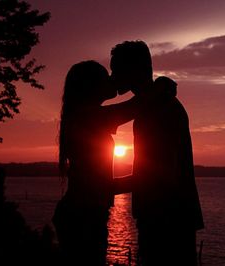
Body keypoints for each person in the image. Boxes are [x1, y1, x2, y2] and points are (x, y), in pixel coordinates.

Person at [110, 41, 204, 266]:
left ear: (134, 69)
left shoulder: (159, 108)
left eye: (116, 70)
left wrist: (107, 186)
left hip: (167, 218)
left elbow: (160, 175)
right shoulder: (153, 104)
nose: (113, 77)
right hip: (165, 214)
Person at [52, 60, 137, 265]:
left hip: (82, 214)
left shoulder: (84, 115)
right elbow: (135, 107)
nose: (111, 81)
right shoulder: (89, 116)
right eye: (105, 78)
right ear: (91, 86)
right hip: (83, 217)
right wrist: (141, 180)